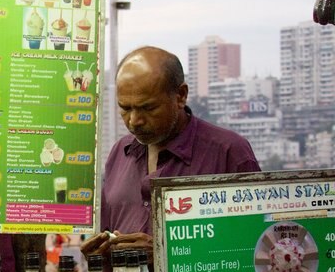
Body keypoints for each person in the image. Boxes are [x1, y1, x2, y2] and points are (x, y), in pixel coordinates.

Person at [83, 46, 260, 258]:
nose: (134, 121)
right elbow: (107, 231)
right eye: (125, 108)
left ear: (181, 96)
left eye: (148, 108)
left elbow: (254, 245)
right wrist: (97, 251)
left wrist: (165, 252)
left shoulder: (228, 153)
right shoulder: (120, 153)